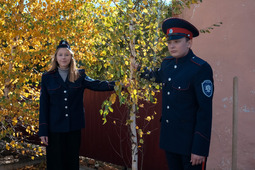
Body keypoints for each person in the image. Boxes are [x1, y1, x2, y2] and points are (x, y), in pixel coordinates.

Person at [139, 18, 214, 170]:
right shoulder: (167, 64)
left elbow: (204, 112)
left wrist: (199, 149)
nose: (172, 46)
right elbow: (157, 76)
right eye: (169, 42)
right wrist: (139, 70)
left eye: (177, 41)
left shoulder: (200, 68)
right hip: (170, 141)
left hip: (190, 145)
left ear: (189, 42)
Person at [38, 40, 115, 170]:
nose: (63, 57)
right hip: (54, 129)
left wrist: (119, 85)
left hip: (73, 128)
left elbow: (97, 84)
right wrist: (43, 131)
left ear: (71, 57)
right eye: (60, 55)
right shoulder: (47, 77)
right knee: (55, 163)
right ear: (56, 57)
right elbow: (43, 105)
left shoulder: (79, 75)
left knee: (72, 163)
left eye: (66, 55)